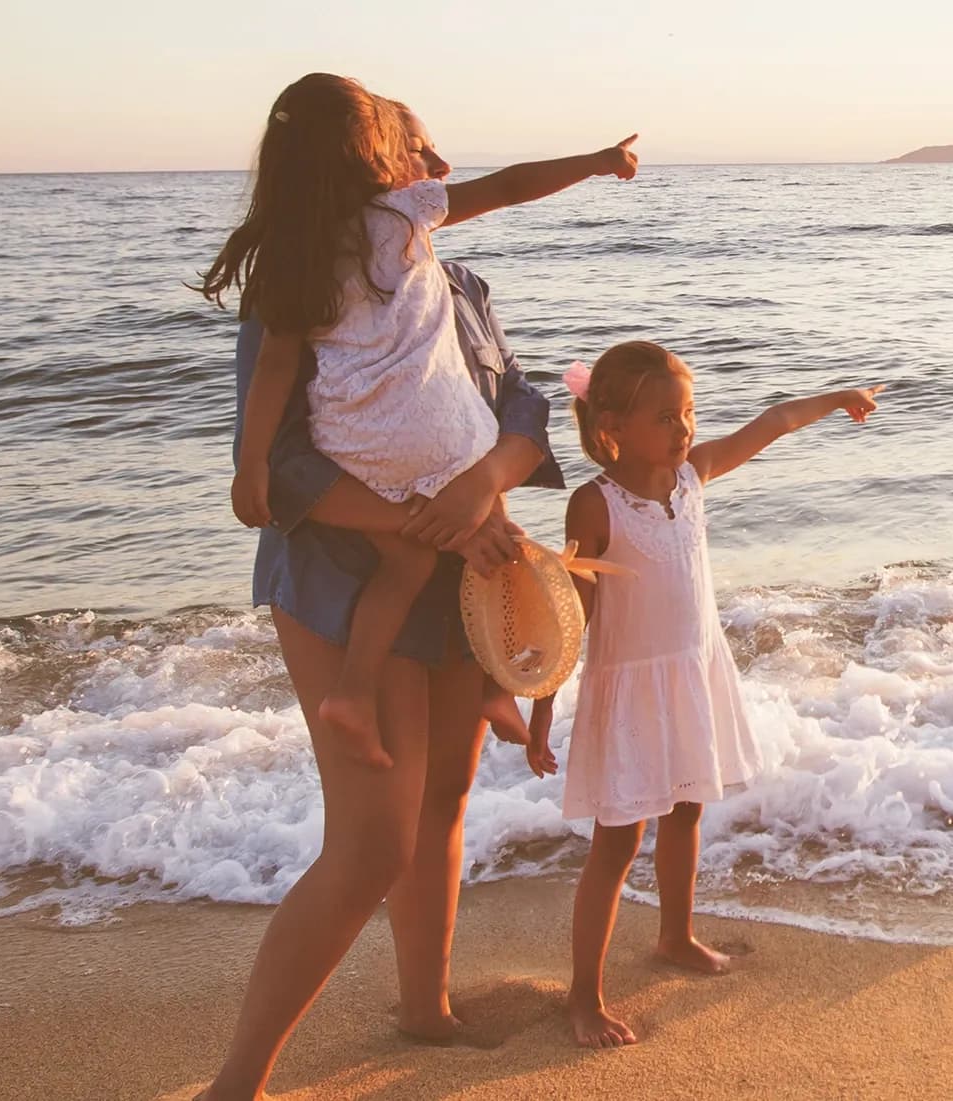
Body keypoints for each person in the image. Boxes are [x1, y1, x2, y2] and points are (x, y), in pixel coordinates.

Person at [196, 72, 632, 1101]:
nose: (438, 167)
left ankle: (424, 1007)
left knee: (446, 792)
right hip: (345, 574)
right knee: (371, 842)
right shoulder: (301, 279)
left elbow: (520, 409)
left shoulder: (457, 287)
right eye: (419, 151)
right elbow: (284, 465)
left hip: (458, 568)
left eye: (442, 155)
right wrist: (424, 523)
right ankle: (236, 1084)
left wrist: (482, 490)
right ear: (381, 165)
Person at [554, 340, 884, 1046]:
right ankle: (584, 994)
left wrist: (834, 398)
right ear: (612, 426)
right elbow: (569, 614)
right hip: (633, 693)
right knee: (616, 843)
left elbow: (768, 424)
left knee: (686, 809)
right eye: (667, 418)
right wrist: (537, 700)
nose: (685, 430)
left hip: (693, 674)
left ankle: (675, 935)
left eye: (689, 413)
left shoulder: (692, 478)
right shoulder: (595, 504)